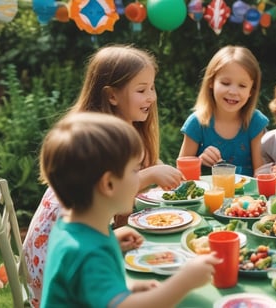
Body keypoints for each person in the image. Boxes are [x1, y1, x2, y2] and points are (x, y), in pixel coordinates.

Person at [23, 44, 183, 307]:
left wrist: (108, 239)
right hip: (49, 258)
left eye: (152, 87)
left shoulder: (103, 132)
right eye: (141, 90)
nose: (151, 97)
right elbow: (105, 187)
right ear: (111, 96)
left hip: (59, 252)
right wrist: (187, 279)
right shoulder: (97, 139)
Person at [39, 112, 220, 307]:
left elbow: (82, 288)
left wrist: (114, 250)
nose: (140, 177)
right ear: (108, 184)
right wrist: (185, 281)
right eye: (135, 170)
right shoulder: (91, 254)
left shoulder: (71, 227)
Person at [178, 45, 269, 177]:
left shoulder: (255, 122)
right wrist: (200, 162)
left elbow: (260, 175)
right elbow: (181, 176)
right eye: (225, 83)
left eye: (242, 86)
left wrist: (225, 169)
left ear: (251, 91)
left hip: (248, 197)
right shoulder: (196, 123)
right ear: (211, 82)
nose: (233, 92)